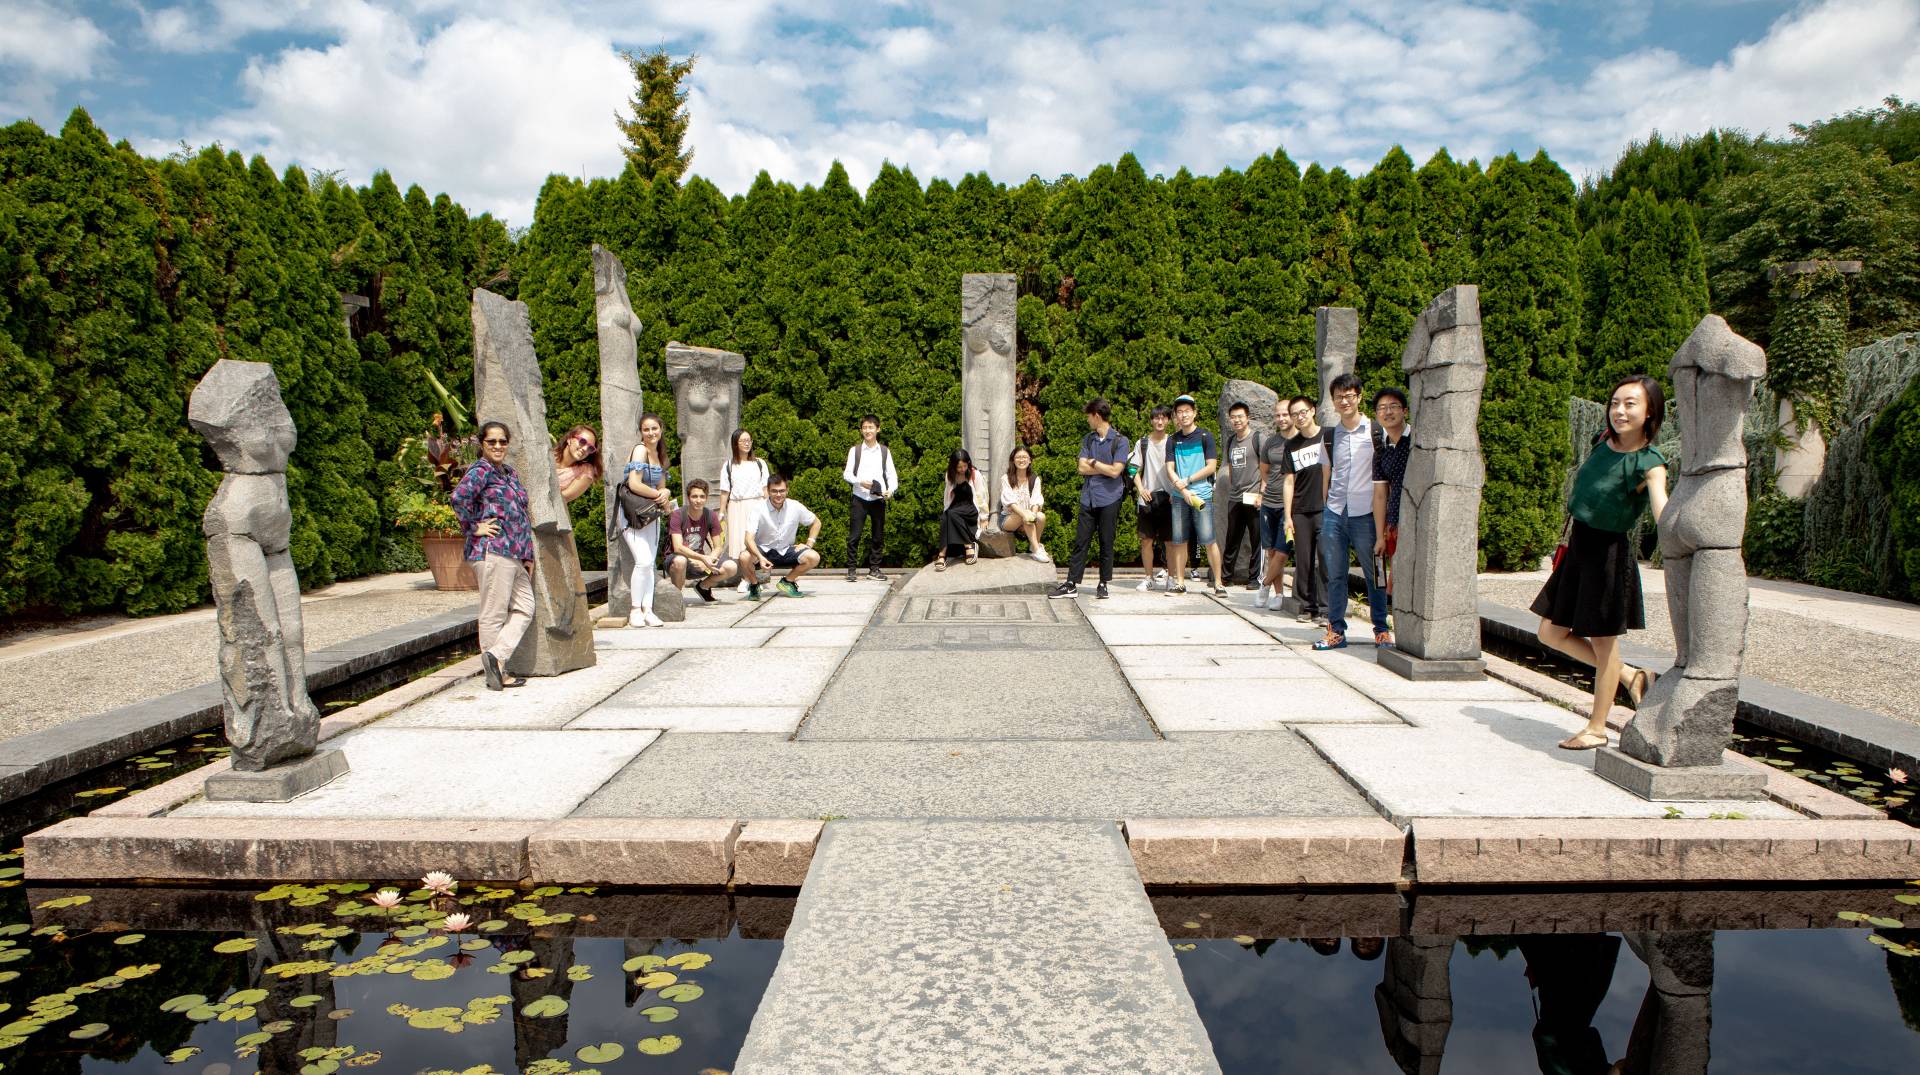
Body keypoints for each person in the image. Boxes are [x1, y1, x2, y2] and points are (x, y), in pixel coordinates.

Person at [1532, 374, 1669, 751]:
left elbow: (1661, 504)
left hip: (1608, 554)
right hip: (1580, 548)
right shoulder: (1603, 441)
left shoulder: (1650, 462)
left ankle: (1597, 728)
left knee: (1605, 646)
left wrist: (1675, 539)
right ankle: (1631, 677)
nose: (1619, 410)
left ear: (1650, 411)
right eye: (1615, 403)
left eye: (1630, 404)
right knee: (1550, 632)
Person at [451, 420, 532, 691]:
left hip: (514, 553)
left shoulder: (508, 473)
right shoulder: (481, 470)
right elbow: (459, 498)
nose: (498, 446)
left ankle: (496, 655)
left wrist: (528, 554)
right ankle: (496, 671)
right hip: (493, 550)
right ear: (482, 444)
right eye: (492, 442)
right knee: (494, 612)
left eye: (502, 441)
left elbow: (520, 514)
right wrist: (475, 526)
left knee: (525, 607)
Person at [1314, 373, 1391, 650]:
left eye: (1349, 395)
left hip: (1367, 515)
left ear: (1359, 397)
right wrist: (1326, 510)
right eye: (1339, 396)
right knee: (1335, 574)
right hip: (1335, 512)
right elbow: (1326, 473)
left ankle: (1382, 629)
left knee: (1376, 573)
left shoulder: (1375, 431)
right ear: (1333, 401)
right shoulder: (1330, 435)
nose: (1344, 401)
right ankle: (1336, 630)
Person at [1050, 398, 1130, 600]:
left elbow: (1116, 471)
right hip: (1089, 497)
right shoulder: (1088, 439)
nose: (1087, 421)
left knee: (1106, 541)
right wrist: (1102, 467)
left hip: (1110, 497)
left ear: (1096, 415)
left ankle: (1103, 583)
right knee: (1081, 541)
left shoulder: (1120, 441)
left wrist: (1094, 462)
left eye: (1088, 416)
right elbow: (1081, 468)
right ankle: (1071, 583)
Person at [1164, 394, 1225, 597]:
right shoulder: (1172, 440)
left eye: (1187, 411)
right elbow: (1169, 468)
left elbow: (1211, 467)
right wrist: (1182, 490)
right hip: (1180, 496)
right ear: (1175, 416)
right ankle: (1180, 582)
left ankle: (1218, 582)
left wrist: (1188, 481)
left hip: (1202, 495)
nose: (1184, 415)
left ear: (1195, 413)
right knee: (1179, 540)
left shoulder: (1205, 436)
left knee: (1209, 539)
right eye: (1179, 412)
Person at [620, 412, 673, 627]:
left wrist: (666, 493)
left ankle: (648, 609)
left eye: (654, 428)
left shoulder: (658, 454)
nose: (651, 433)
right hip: (633, 514)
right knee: (642, 561)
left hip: (651, 514)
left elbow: (661, 487)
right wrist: (659, 495)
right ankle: (635, 609)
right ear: (641, 432)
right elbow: (634, 484)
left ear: (661, 429)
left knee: (649, 563)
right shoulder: (640, 450)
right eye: (646, 429)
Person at [1280, 396, 1326, 623]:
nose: (1300, 416)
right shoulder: (1291, 445)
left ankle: (1328, 610)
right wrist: (1287, 515)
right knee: (1304, 561)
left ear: (1313, 410)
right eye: (1295, 414)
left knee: (1326, 559)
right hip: (1300, 509)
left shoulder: (1329, 436)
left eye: (1303, 411)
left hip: (1326, 508)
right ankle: (1309, 607)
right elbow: (1288, 482)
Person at [744, 473, 822, 598]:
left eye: (782, 491)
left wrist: (809, 544)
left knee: (814, 557)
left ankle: (788, 582)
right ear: (768, 491)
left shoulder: (795, 506)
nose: (778, 495)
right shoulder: (758, 509)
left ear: (787, 490)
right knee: (744, 557)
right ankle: (754, 585)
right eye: (774, 491)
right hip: (764, 551)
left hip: (786, 550)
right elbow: (748, 539)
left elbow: (816, 522)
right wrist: (760, 557)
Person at [842, 415, 896, 582]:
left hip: (878, 499)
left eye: (871, 427)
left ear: (878, 429)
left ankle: (875, 569)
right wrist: (860, 482)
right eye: (865, 428)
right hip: (859, 497)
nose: (867, 431)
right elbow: (847, 474)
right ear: (861, 430)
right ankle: (851, 570)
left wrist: (890, 490)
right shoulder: (855, 450)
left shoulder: (885, 451)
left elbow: (891, 475)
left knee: (878, 536)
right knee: (854, 535)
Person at [1370, 387, 1412, 601]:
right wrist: (1380, 535)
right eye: (1382, 408)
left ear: (1404, 410)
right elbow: (1379, 494)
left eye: (1393, 406)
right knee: (1390, 576)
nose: (1387, 412)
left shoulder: (1418, 442)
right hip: (1394, 522)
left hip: (1415, 522)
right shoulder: (1381, 448)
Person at [666, 478, 738, 603]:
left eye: (702, 496)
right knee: (680, 561)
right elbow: (677, 547)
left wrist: (708, 560)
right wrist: (701, 558)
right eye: (694, 496)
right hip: (678, 560)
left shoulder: (710, 515)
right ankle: (677, 599)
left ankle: (703, 587)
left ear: (706, 498)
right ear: (688, 497)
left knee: (731, 567)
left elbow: (718, 546)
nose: (698, 500)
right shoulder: (678, 515)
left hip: (701, 562)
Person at [1220, 401, 1266, 588]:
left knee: (1257, 540)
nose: (1237, 420)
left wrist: (1262, 494)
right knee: (1232, 539)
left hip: (1254, 496)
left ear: (1248, 418)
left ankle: (1255, 578)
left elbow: (1266, 468)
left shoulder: (1258, 438)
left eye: (1240, 416)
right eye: (1233, 417)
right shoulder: (1231, 441)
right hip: (1235, 497)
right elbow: (1230, 467)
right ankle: (1226, 576)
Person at [1256, 401, 1297, 609]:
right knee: (1271, 552)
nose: (1281, 419)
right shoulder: (1271, 442)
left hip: (1291, 506)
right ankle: (1279, 594)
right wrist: (1269, 487)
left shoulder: (1302, 441)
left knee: (1282, 552)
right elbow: (1264, 469)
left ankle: (1264, 584)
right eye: (1278, 415)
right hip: (1269, 502)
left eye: (1285, 415)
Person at [1129, 404, 1174, 592]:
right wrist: (1140, 488)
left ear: (1169, 421)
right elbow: (1132, 468)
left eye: (1164, 418)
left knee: (1170, 541)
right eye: (1156, 417)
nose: (1160, 421)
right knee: (1146, 540)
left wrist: (1177, 492)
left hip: (1169, 498)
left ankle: (1172, 578)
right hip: (1147, 498)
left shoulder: (1173, 442)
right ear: (1151, 420)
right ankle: (1148, 577)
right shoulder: (1142, 443)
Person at [717, 428, 770, 575]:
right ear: (735, 444)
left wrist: (770, 507)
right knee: (741, 543)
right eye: (743, 441)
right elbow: (724, 490)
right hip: (737, 507)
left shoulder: (760, 463)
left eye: (749, 440)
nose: (747, 443)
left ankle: (753, 576)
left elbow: (765, 488)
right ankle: (746, 578)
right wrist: (721, 511)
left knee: (756, 541)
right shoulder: (728, 465)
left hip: (757, 505)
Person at [936, 448, 985, 571]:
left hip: (970, 508)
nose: (963, 469)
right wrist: (945, 512)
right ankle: (945, 553)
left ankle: (946, 554)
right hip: (956, 508)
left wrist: (984, 518)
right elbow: (947, 496)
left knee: (951, 513)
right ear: (953, 466)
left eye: (965, 466)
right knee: (948, 515)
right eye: (959, 467)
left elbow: (981, 496)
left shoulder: (975, 474)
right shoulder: (950, 476)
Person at [1000, 443, 1050, 562]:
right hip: (1009, 519)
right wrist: (1026, 515)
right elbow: (1011, 503)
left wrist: (1032, 515)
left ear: (1030, 460)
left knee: (1041, 516)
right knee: (1025, 514)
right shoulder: (1006, 478)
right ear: (1013, 460)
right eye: (1018, 457)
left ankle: (1034, 546)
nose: (1021, 460)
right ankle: (1037, 550)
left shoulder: (1034, 479)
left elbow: (1036, 500)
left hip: (1027, 517)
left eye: (1024, 457)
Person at [553, 425, 601, 503]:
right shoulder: (549, 455)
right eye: (582, 441)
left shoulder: (585, 471)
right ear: (569, 439)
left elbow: (562, 498)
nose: (585, 449)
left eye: (590, 448)